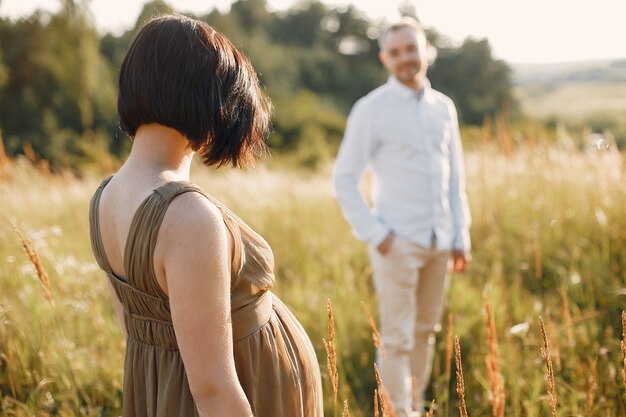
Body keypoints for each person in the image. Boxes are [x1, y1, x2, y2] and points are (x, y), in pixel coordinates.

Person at [88, 14, 323, 417]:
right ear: (201, 95)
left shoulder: (104, 198)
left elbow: (139, 331)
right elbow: (214, 391)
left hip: (167, 394)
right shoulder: (187, 217)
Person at [333, 17, 471, 417]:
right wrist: (377, 234)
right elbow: (344, 179)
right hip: (396, 242)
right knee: (395, 337)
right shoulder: (371, 109)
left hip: (440, 241)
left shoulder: (444, 108)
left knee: (426, 332)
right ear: (384, 59)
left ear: (426, 49)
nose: (405, 58)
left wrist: (461, 234)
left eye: (411, 48)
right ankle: (400, 412)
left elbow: (454, 177)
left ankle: (411, 405)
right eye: (395, 53)